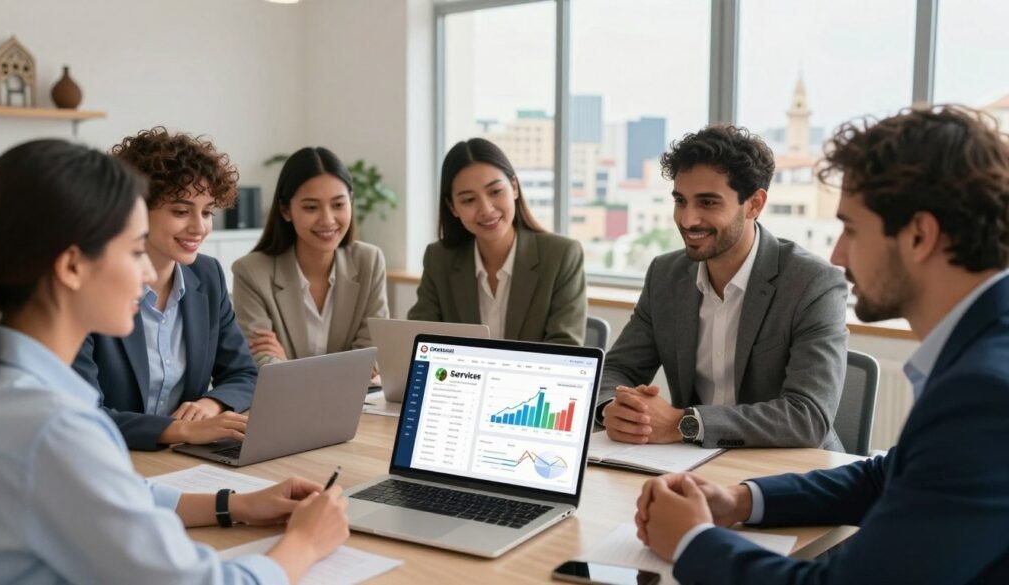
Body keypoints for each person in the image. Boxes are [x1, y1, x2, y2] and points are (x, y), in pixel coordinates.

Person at [634, 106, 1009, 584]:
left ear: (919, 235)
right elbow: (883, 476)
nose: (838, 253)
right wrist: (740, 499)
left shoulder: (984, 394)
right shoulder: (984, 351)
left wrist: (690, 541)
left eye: (851, 228)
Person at [0, 139, 349, 584]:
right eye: (136, 250)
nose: (145, 274)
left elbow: (118, 494)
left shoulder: (15, 391)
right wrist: (305, 544)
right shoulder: (54, 429)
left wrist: (234, 504)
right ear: (72, 267)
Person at [598, 125, 848, 450]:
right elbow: (617, 369)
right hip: (690, 464)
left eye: (708, 203)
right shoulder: (666, 275)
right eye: (680, 200)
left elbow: (808, 417)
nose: (688, 220)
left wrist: (684, 423)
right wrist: (612, 409)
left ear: (755, 204)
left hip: (789, 474)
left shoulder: (812, 283)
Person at [72, 127, 255, 451]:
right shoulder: (92, 284)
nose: (199, 227)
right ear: (136, 209)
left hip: (182, 462)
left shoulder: (207, 275)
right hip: (108, 458)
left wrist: (213, 404)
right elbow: (80, 415)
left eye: (208, 212)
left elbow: (244, 374)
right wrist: (177, 430)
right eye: (181, 211)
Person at [407, 138, 586, 345]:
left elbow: (565, 349)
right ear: (453, 207)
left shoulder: (561, 255)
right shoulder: (439, 258)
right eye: (468, 200)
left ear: (514, 187)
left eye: (495, 192)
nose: (486, 209)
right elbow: (419, 339)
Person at [232, 147, 388, 378]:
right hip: (286, 406)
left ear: (351, 202)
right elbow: (261, 360)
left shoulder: (369, 261)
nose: (327, 220)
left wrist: (289, 365)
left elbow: (372, 355)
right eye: (311, 207)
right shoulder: (252, 272)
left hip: (356, 406)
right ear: (286, 210)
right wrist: (343, 371)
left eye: (338, 205)